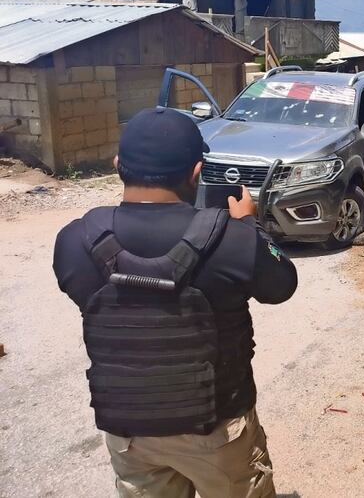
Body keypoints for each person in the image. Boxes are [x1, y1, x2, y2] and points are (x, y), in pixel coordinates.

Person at [52, 108, 298, 497]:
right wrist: (250, 224)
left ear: (118, 166)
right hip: (218, 431)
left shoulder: (74, 241)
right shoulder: (234, 240)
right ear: (197, 172)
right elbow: (282, 285)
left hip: (130, 432)